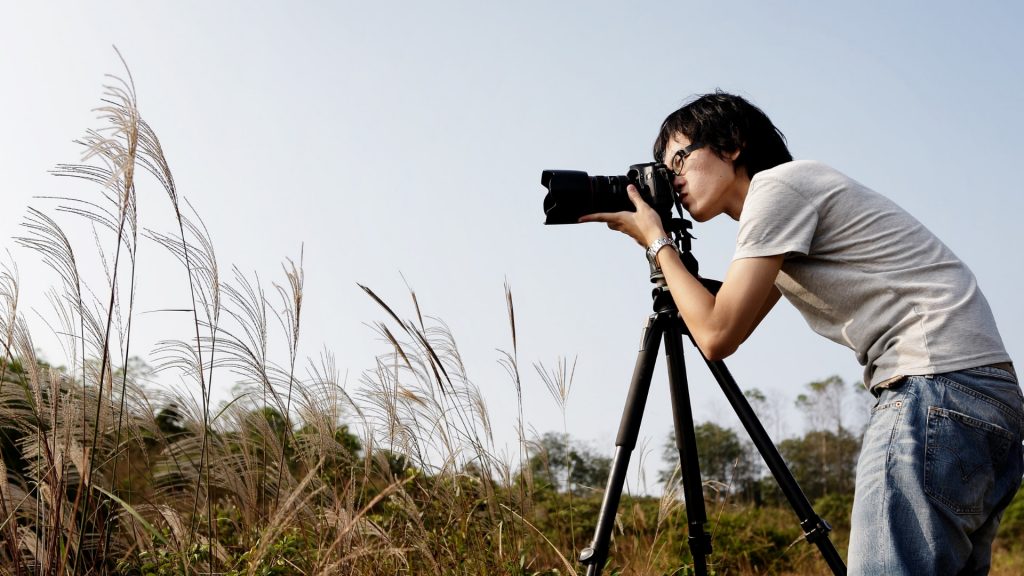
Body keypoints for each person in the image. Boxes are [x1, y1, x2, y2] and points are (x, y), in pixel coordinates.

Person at [580, 91, 1022, 575]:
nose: (674, 178)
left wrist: (656, 241)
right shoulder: (792, 205)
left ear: (731, 145)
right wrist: (663, 250)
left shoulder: (777, 189)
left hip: (933, 387)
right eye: (665, 170)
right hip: (982, 399)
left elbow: (716, 334)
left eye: (680, 158)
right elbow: (727, 311)